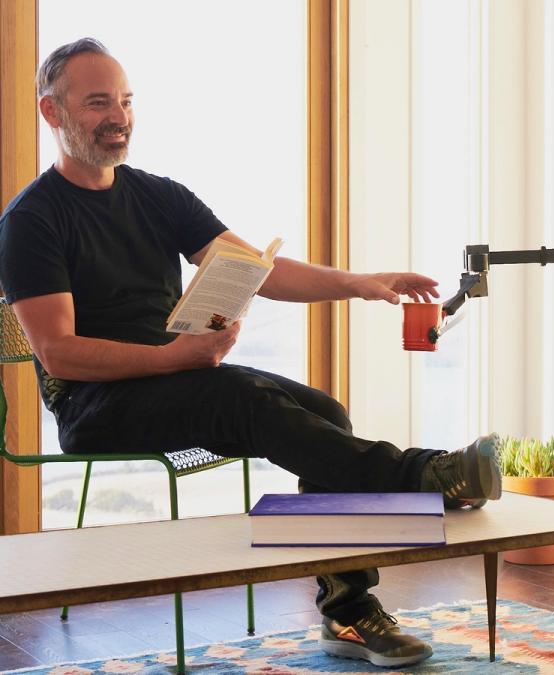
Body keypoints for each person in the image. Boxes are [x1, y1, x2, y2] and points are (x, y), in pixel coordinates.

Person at [0, 38, 503, 668]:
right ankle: (423, 476)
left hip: (175, 381)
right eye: (98, 102)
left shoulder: (159, 196)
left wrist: (361, 283)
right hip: (95, 404)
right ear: (52, 112)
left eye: (125, 101)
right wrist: (175, 360)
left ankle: (348, 616)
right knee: (241, 398)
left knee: (325, 410)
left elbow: (257, 271)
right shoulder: (31, 220)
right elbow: (60, 354)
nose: (119, 117)